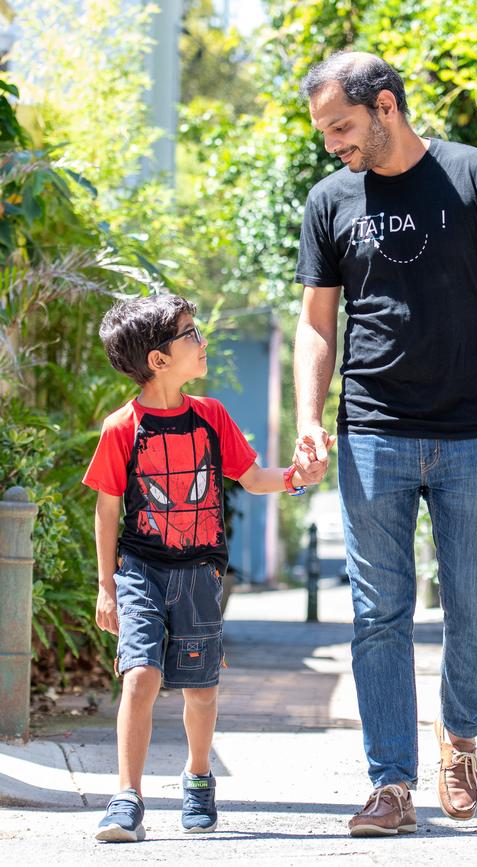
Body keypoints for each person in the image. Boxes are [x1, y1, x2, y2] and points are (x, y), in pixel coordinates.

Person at [292, 51, 477, 836]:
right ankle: (390, 783)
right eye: (325, 132)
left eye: (341, 127)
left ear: (385, 107)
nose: (333, 144)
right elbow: (316, 323)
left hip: (471, 428)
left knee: (476, 609)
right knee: (380, 613)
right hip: (373, 428)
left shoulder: (476, 176)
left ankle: (461, 739)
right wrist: (310, 417)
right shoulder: (329, 199)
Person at [83, 294, 329, 843]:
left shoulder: (212, 416)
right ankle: (127, 797)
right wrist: (106, 587)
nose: (202, 341)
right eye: (190, 334)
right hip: (141, 568)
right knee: (140, 675)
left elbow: (253, 477)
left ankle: (197, 777)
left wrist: (297, 477)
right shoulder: (121, 427)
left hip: (200, 572)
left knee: (201, 685)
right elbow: (105, 510)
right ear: (158, 360)